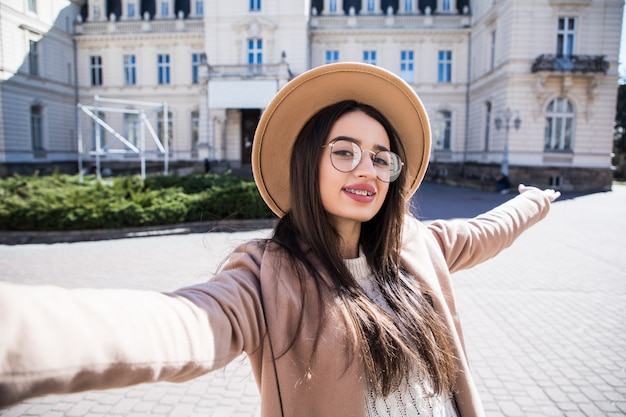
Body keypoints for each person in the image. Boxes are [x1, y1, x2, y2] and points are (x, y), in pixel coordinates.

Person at [0, 63, 560, 417]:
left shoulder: (417, 246)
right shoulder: (266, 273)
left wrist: (535, 200)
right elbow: (186, 325)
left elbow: (489, 229)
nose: (365, 168)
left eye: (380, 157)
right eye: (344, 151)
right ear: (307, 164)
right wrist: (21, 337)